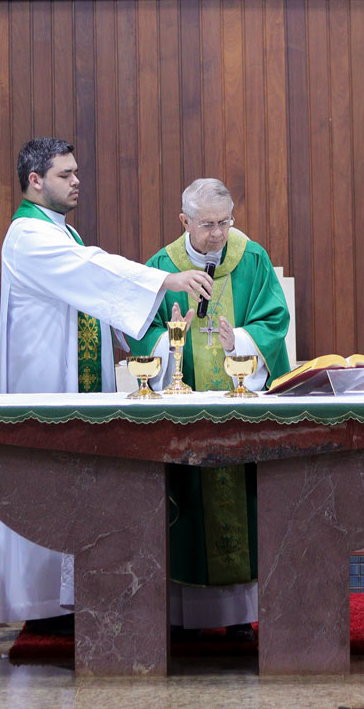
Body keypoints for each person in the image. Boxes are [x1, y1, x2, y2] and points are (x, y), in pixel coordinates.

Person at [0, 138, 213, 637]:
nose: (76, 182)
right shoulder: (28, 234)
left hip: (72, 383)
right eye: (65, 174)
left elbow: (91, 293)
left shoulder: (58, 232)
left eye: (76, 173)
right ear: (35, 180)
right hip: (46, 387)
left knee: (76, 487)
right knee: (51, 486)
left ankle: (69, 598)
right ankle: (44, 602)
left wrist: (140, 334)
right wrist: (163, 281)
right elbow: (94, 269)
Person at [127, 178, 291, 640]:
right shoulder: (162, 267)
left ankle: (240, 617)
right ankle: (182, 617)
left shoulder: (251, 258)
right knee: (188, 500)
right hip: (184, 412)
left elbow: (275, 319)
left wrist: (239, 340)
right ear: (185, 222)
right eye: (207, 225)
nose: (218, 234)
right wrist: (169, 344)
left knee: (242, 501)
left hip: (238, 411)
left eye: (225, 222)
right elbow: (140, 327)